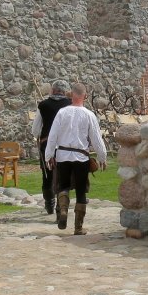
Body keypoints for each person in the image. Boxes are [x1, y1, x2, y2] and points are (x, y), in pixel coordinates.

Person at [43, 85, 108, 236]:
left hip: (63, 155)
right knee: (81, 191)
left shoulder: (62, 113)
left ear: (71, 95)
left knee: (63, 186)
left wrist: (49, 156)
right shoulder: (89, 115)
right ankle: (78, 228)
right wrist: (102, 157)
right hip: (81, 157)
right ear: (85, 96)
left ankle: (64, 211)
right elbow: (97, 139)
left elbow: (52, 136)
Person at [30, 80, 71, 215]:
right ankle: (61, 205)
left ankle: (49, 203)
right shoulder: (70, 105)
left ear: (53, 90)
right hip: (66, 145)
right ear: (65, 91)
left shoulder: (43, 105)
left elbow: (35, 130)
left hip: (47, 144)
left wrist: (39, 135)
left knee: (47, 174)